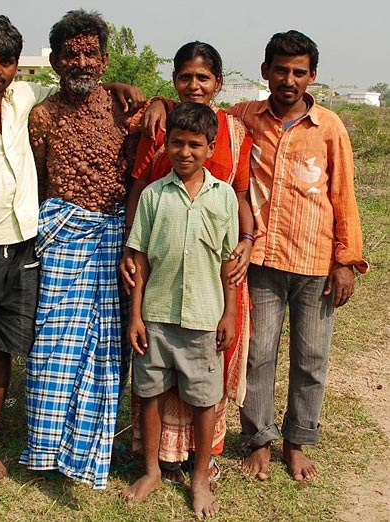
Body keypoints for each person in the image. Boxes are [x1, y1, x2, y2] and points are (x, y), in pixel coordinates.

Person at [0, 14, 143, 494]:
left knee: (12, 348)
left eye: (6, 62)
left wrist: (144, 96)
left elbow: (125, 153)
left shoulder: (50, 103)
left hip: (27, 249)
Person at [134, 30, 369, 483]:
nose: (288, 79)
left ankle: (296, 442)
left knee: (311, 357)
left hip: (314, 259)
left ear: (312, 76)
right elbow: (193, 110)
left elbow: (344, 193)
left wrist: (346, 259)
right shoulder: (246, 117)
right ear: (265, 72)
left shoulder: (328, 126)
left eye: (299, 72)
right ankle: (259, 440)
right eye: (280, 70)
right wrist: (158, 101)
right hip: (261, 260)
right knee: (257, 356)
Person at [120, 41, 253, 485]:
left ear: (218, 82)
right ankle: (157, 464)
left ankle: (200, 464)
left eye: (203, 77)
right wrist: (129, 248)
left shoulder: (234, 132)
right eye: (185, 77)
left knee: (203, 386)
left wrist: (247, 241)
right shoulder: (157, 126)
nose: (194, 85)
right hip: (159, 286)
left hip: (207, 291)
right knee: (153, 384)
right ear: (174, 79)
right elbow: (139, 185)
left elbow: (241, 197)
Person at [19, 9, 138, 490]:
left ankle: (93, 448)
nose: (81, 63)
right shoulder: (42, 116)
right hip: (62, 240)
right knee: (52, 346)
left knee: (108, 350)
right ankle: (47, 448)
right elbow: (37, 181)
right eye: (71, 54)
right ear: (55, 62)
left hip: (112, 242)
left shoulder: (124, 109)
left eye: (91, 54)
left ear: (105, 60)